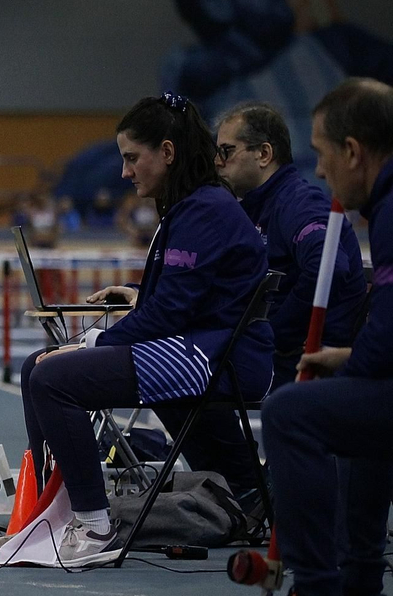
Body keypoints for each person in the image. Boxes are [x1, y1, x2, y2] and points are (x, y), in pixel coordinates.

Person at [14, 93, 272, 566]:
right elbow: (179, 298)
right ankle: (46, 516)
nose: (124, 172)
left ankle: (92, 525)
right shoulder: (190, 207)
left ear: (167, 152)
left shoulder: (204, 209)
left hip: (219, 356)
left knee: (51, 377)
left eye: (132, 158)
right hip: (201, 346)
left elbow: (170, 313)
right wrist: (137, 295)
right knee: (37, 366)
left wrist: (93, 341)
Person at [213, 78, 393, 596]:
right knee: (349, 413)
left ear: (353, 152)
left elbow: (338, 272)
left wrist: (299, 340)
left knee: (292, 413)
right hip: (344, 348)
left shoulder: (308, 202)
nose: (319, 170)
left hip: (319, 343)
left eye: (322, 154)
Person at [214, 102, 365, 388]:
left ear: (264, 154)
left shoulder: (298, 202)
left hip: (305, 364)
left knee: (172, 377)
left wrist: (277, 332)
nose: (217, 161)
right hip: (274, 357)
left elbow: (329, 267)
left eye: (227, 151)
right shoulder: (252, 208)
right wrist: (142, 294)